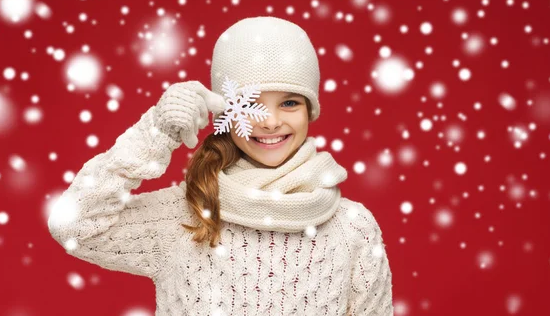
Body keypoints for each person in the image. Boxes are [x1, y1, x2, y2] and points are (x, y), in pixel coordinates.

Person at [48, 16, 394, 315]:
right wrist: (156, 130)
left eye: (289, 102)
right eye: (252, 104)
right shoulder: (185, 215)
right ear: (225, 112)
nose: (271, 121)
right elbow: (75, 225)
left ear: (310, 111)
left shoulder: (352, 228)